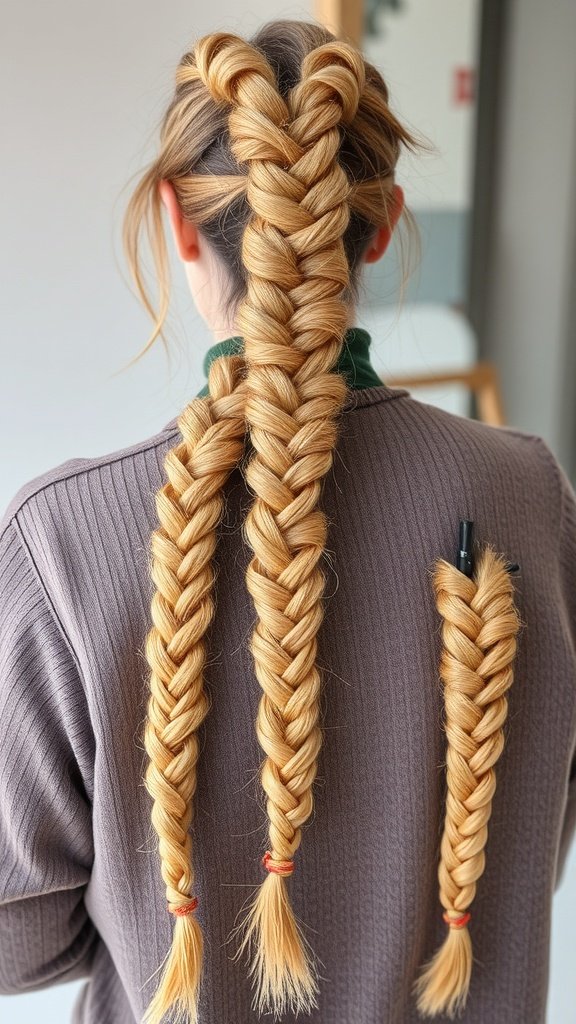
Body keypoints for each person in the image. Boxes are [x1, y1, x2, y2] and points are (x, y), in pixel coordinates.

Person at [0, 17, 575, 1024]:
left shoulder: (63, 539)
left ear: (179, 226)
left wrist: (147, 900)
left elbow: (15, 932)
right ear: (383, 222)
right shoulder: (529, 498)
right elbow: (537, 834)